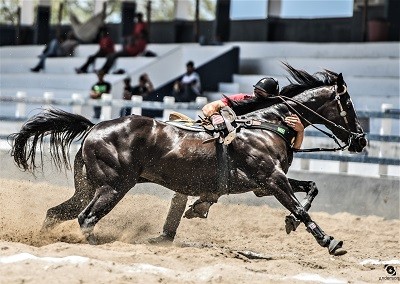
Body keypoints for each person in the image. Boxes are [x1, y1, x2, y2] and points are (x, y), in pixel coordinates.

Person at [149, 77, 305, 244]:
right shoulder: (242, 100)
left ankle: (204, 200)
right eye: (256, 92)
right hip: (215, 152)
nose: (256, 96)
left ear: (272, 97)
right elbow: (208, 107)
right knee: (182, 189)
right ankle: (169, 233)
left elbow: (295, 147)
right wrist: (216, 116)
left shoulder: (280, 115)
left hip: (246, 164)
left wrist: (300, 131)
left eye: (261, 94)